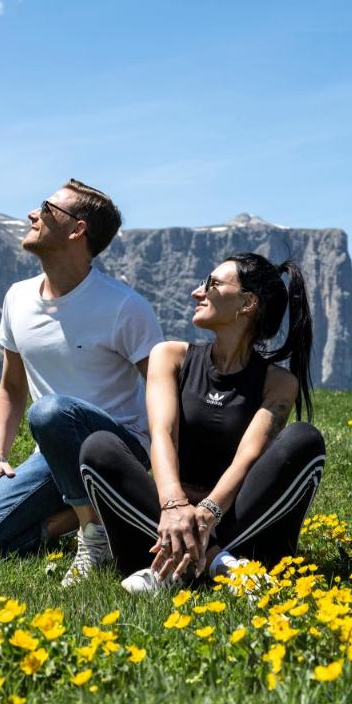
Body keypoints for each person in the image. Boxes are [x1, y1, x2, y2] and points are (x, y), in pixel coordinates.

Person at [0, 179, 164, 586]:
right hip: (54, 446)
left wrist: (173, 488)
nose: (32, 214)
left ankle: (95, 535)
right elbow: (11, 386)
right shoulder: (17, 298)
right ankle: (88, 518)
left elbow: (163, 393)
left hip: (119, 448)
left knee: (50, 411)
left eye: (46, 208)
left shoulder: (124, 307)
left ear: (77, 229)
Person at [78, 253, 326, 592]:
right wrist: (175, 506)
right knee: (98, 447)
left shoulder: (278, 383)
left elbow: (249, 457)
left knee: (305, 439)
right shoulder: (169, 356)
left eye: (212, 284)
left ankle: (181, 569)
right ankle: (217, 564)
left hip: (239, 527)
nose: (198, 292)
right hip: (162, 524)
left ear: (247, 303)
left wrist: (208, 513)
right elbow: (162, 433)